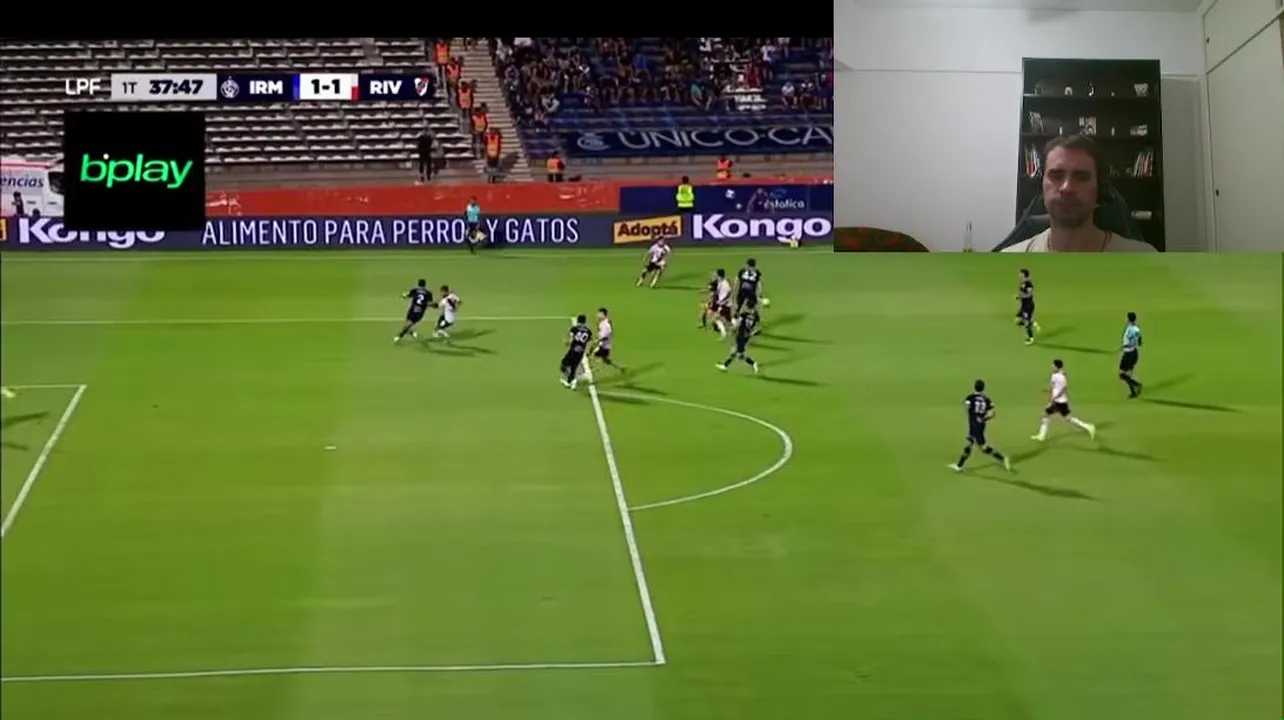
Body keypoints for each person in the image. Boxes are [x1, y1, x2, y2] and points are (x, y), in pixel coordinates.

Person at [1002, 135, 1156, 253]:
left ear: (1099, 189)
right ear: (1042, 186)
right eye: (1056, 176)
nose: (1066, 188)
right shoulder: (1010, 261)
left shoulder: (1144, 259)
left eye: (1081, 177)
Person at [950, 379, 1011, 472]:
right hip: (981, 425)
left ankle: (959, 466)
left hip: (974, 425)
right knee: (978, 446)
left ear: (974, 387)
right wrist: (983, 419)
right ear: (983, 388)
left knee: (974, 445)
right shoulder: (987, 399)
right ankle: (959, 466)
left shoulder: (970, 397)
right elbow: (992, 413)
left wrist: (971, 415)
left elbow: (966, 407)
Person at [1033, 359, 1097, 441]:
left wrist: (1055, 397)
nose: (1051, 367)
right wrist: (1048, 390)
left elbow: (1063, 388)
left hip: (1059, 401)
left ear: (1057, 367)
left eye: (1053, 365)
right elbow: (1055, 387)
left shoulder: (1058, 376)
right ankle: (1088, 426)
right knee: (1066, 418)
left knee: (1047, 415)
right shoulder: (1060, 375)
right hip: (1061, 401)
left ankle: (1041, 436)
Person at [394, 279, 432, 343]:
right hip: (420, 312)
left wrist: (403, 296)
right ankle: (411, 333)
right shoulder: (428, 293)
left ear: (418, 284)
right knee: (408, 325)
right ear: (425, 285)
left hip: (412, 310)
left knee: (408, 324)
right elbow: (430, 303)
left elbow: (406, 295)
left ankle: (400, 336)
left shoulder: (415, 290)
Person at [561, 315, 594, 390]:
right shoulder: (588, 331)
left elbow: (570, 338)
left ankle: (570, 381)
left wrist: (567, 342)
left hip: (573, 350)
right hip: (580, 351)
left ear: (578, 321)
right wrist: (588, 351)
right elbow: (590, 341)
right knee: (574, 367)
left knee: (564, 364)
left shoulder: (574, 328)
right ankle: (571, 381)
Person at [1119, 311, 1144, 398]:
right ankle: (1133, 392)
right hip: (1134, 353)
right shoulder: (1137, 329)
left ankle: (1137, 385)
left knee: (1122, 374)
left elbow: (1131, 342)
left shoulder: (1130, 329)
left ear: (1128, 319)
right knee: (1128, 375)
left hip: (1129, 354)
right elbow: (1140, 342)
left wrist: (1125, 345)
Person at [1015, 268, 1039, 344]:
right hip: (1024, 305)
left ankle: (1031, 339)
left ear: (1023, 274)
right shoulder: (1022, 282)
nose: (1019, 275)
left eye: (1020, 274)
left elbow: (1030, 294)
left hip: (1028, 306)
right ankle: (1033, 323)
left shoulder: (1028, 283)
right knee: (1017, 320)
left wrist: (1020, 297)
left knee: (1026, 323)